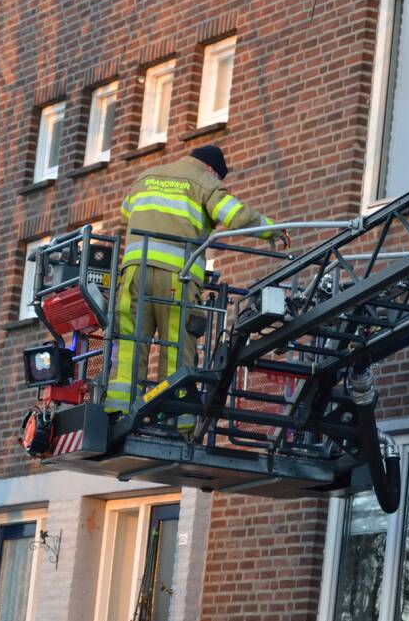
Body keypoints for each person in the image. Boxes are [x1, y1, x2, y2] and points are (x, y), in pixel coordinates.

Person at [105, 145, 289, 417]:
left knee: (131, 342)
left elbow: (126, 213)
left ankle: (117, 410)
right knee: (177, 346)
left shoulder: (144, 177)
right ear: (212, 169)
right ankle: (177, 417)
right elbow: (234, 215)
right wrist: (271, 230)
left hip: (135, 274)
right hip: (176, 277)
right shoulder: (205, 182)